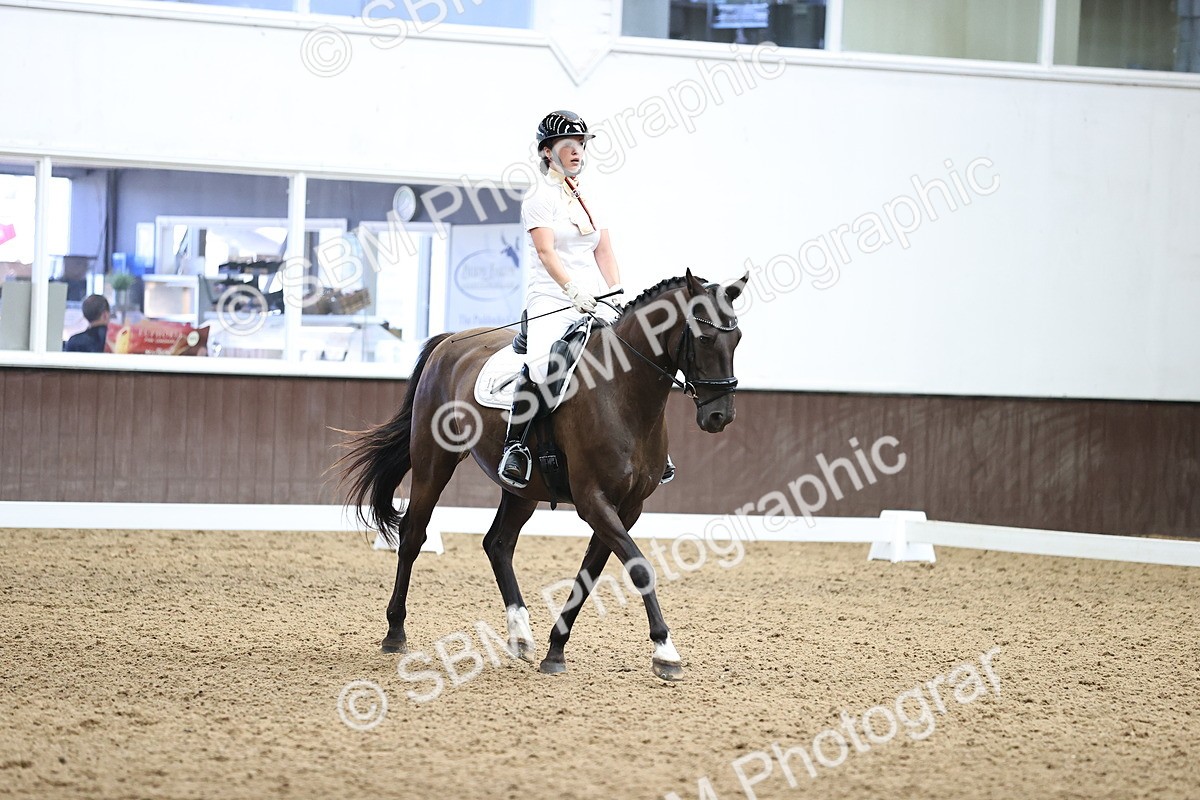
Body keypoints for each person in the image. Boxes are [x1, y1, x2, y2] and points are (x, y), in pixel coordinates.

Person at [497, 110, 675, 489]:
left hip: (597, 297)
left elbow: (604, 251)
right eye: (568, 145)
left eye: (581, 145)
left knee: (633, 354)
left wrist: (616, 292)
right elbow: (547, 253)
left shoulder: (591, 196)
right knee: (545, 364)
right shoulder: (539, 198)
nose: (577, 151)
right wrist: (571, 290)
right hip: (551, 297)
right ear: (547, 152)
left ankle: (652, 448)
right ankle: (517, 447)